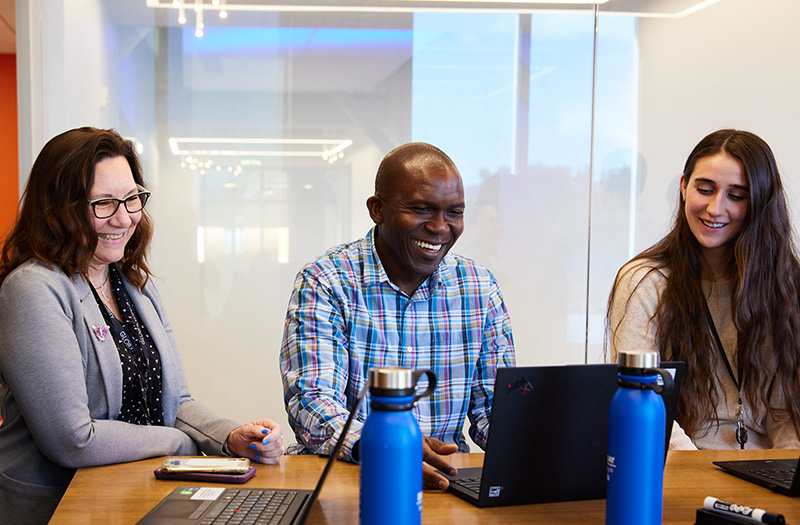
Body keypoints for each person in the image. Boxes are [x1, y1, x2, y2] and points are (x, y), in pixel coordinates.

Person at [0, 127, 286, 524]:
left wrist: (230, 437)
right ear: (58, 208)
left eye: (132, 198)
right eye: (103, 203)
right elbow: (73, 440)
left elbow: (176, 401)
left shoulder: (133, 282)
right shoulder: (33, 289)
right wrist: (178, 443)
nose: (125, 217)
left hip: (135, 494)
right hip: (58, 508)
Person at [280, 142, 515, 489]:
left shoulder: (479, 287)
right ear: (377, 209)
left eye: (454, 212)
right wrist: (385, 447)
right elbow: (312, 401)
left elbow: (493, 409)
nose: (440, 227)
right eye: (421, 209)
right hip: (354, 476)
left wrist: (536, 445)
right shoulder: (328, 280)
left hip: (446, 483)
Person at [607, 129, 800, 450]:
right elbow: (643, 402)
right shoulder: (645, 280)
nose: (714, 208)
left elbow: (785, 413)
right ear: (684, 187)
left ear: (760, 203)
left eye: (736, 196)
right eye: (705, 189)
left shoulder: (784, 282)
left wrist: (787, 472)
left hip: (761, 470)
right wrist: (699, 471)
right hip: (679, 463)